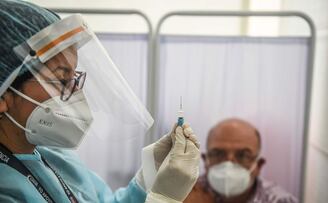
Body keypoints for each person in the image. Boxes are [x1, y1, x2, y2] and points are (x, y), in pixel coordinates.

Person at [0, 0, 200, 202]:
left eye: (74, 79)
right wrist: (162, 198)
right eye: (61, 79)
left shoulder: (55, 158)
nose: (76, 93)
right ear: (3, 96)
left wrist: (150, 174)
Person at [184, 118, 297, 203]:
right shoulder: (183, 194)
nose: (229, 163)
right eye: (218, 154)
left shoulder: (280, 200)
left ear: (259, 165)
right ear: (205, 161)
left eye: (243, 155)